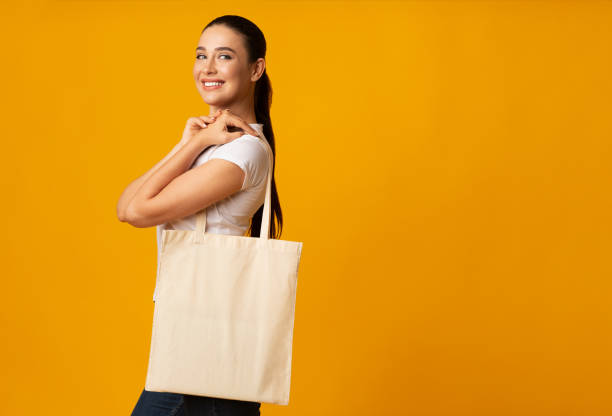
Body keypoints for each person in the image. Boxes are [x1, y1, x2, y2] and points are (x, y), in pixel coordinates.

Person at [117, 14, 284, 416]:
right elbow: (124, 207)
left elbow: (139, 212)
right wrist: (188, 143)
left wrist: (193, 147)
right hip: (195, 327)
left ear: (255, 69)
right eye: (200, 55)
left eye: (223, 56)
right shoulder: (213, 143)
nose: (207, 68)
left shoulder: (245, 150)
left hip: (207, 330)